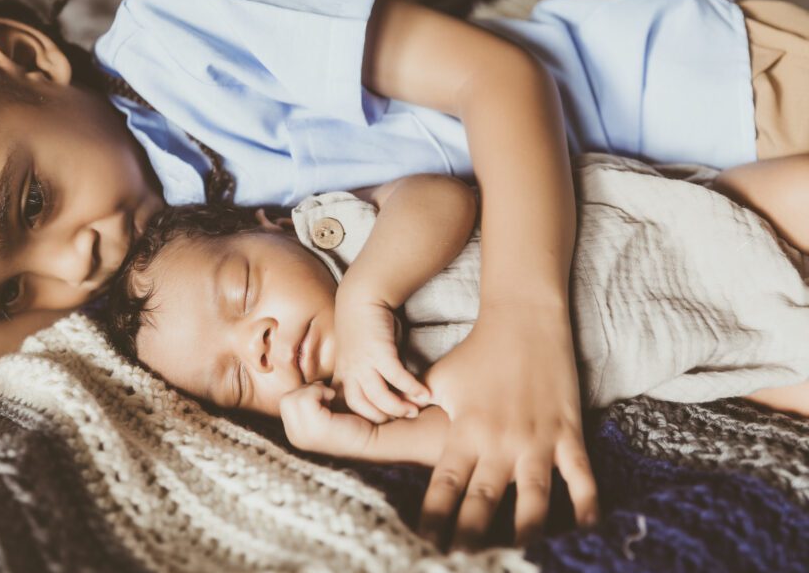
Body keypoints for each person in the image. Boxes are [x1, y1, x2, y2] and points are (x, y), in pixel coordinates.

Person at [0, 0, 808, 550]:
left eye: (28, 203)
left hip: (708, 100)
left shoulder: (189, 29)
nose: (70, 266)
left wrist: (525, 323)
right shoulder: (133, 264)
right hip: (675, 210)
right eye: (10, 294)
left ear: (23, 55)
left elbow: (501, 77)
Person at [103, 161, 809, 488]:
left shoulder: (339, 231)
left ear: (273, 225)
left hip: (662, 224)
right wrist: (367, 438)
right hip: (688, 348)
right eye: (232, 380)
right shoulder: (359, 397)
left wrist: (366, 297)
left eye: (241, 289)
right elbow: (466, 433)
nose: (256, 346)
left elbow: (443, 199)